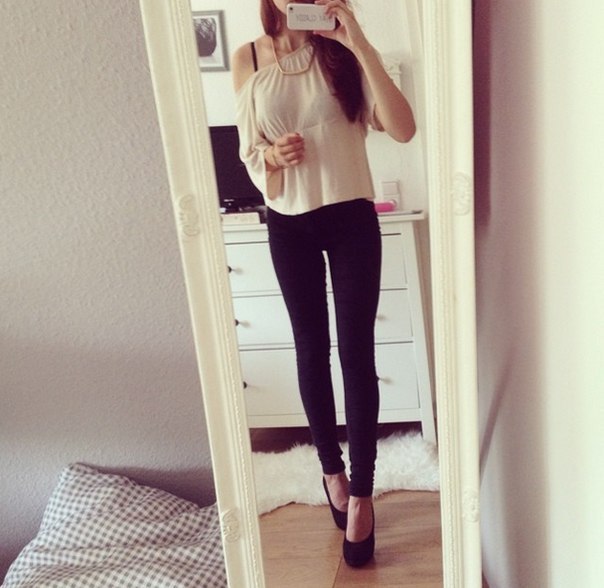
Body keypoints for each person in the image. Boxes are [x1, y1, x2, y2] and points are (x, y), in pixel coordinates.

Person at [232, 0, 415, 567]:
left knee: (357, 354)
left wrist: (356, 38)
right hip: (288, 223)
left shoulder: (342, 52)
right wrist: (271, 155)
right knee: (311, 349)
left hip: (351, 215)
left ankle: (362, 494)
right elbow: (248, 151)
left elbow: (403, 128)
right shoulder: (247, 59)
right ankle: (330, 472)